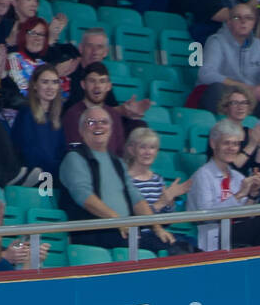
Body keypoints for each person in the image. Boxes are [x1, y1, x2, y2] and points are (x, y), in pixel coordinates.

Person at [58, 105, 175, 251]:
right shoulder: (74, 158)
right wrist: (118, 221)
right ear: (81, 130)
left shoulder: (117, 162)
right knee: (167, 249)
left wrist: (157, 228)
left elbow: (136, 199)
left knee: (176, 244)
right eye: (91, 122)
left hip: (124, 231)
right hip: (95, 234)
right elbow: (85, 197)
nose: (98, 126)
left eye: (104, 122)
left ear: (111, 129)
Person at [186, 118, 260, 251]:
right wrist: (239, 195)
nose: (232, 148)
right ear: (213, 144)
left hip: (236, 234)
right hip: (212, 234)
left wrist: (252, 195)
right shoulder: (202, 176)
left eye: (235, 144)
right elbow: (207, 216)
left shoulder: (237, 176)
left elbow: (247, 216)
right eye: (226, 143)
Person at [199, 3, 260, 118]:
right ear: (229, 22)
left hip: (250, 98)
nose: (243, 22)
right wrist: (245, 87)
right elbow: (206, 74)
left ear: (253, 24)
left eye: (248, 18)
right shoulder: (216, 41)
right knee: (216, 88)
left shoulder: (257, 44)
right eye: (237, 17)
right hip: (226, 96)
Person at [10, 63, 67, 183]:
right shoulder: (26, 113)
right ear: (35, 85)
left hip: (53, 175)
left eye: (54, 82)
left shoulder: (58, 118)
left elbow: (62, 152)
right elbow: (29, 153)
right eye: (45, 82)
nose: (50, 87)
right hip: (34, 174)